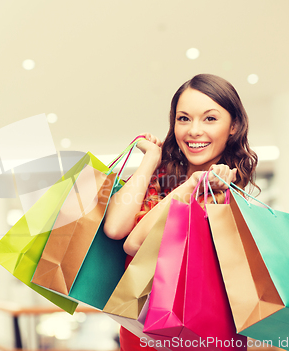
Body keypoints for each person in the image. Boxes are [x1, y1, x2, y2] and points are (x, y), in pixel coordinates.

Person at [103, 73, 259, 350]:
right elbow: (115, 229)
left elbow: (136, 243)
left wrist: (194, 185)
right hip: (141, 329)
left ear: (233, 126)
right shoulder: (161, 176)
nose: (193, 130)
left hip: (202, 332)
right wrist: (151, 160)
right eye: (183, 118)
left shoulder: (230, 197)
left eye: (210, 119)